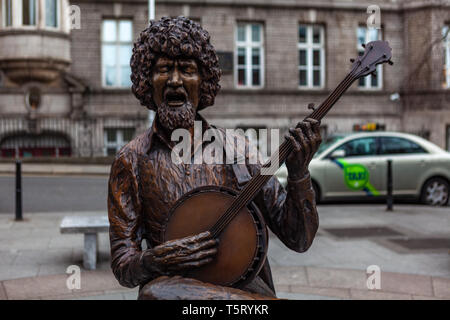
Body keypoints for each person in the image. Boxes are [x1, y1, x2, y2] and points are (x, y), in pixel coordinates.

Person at [108, 16, 322, 300]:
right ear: (147, 80)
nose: (174, 80)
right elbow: (124, 264)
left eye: (186, 69)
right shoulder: (131, 161)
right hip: (175, 292)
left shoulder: (240, 149)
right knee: (155, 293)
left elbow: (299, 238)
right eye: (163, 70)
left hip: (243, 288)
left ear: (203, 81)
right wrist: (156, 261)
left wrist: (298, 175)